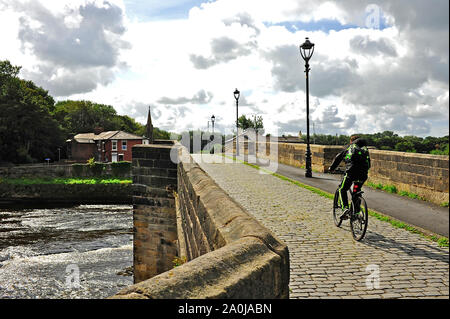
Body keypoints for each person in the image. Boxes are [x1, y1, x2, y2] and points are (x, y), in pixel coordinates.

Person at [328, 135, 371, 218]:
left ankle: (345, 208)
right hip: (363, 175)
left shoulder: (349, 147)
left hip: (351, 173)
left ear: (351, 141)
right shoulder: (365, 149)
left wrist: (331, 168)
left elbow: (338, 158)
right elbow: (368, 164)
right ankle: (357, 213)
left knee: (342, 189)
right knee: (356, 191)